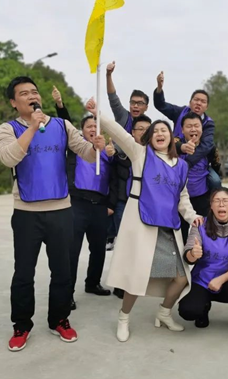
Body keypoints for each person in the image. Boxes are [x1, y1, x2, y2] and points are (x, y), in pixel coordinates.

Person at [0, 77, 103, 352]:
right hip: (26, 213)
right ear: (14, 102)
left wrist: (96, 146)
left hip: (60, 211)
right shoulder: (8, 129)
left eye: (34, 92)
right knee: (23, 273)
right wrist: (32, 127)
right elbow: (8, 158)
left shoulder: (61, 125)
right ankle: (21, 325)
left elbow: (86, 153)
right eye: (24, 93)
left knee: (62, 271)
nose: (32, 96)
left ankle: (59, 319)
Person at [85, 99, 203, 343]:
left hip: (168, 227)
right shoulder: (140, 154)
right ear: (149, 138)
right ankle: (124, 318)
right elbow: (118, 132)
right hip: (141, 222)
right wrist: (98, 114)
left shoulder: (181, 166)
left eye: (164, 130)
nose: (160, 134)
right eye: (155, 131)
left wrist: (193, 217)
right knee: (136, 277)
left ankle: (164, 313)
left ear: (172, 137)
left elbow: (183, 199)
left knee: (181, 277)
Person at [52, 89, 115, 309]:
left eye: (96, 127)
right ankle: (67, 293)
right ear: (82, 130)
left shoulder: (108, 150)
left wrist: (111, 204)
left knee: (98, 249)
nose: (92, 130)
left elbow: (116, 179)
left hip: (100, 205)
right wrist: (60, 105)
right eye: (89, 126)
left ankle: (93, 283)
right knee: (72, 250)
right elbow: (66, 124)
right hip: (77, 203)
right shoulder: (76, 144)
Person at [178, 188, 228, 340]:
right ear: (211, 206)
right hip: (203, 279)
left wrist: (221, 279)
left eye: (225, 200)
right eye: (217, 201)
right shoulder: (200, 224)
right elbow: (187, 256)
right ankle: (204, 308)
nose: (221, 205)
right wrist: (193, 254)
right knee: (188, 311)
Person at [108, 114, 152, 299]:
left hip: (145, 206)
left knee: (140, 246)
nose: (143, 132)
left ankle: (137, 281)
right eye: (139, 129)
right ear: (132, 132)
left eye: (147, 129)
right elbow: (111, 175)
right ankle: (121, 284)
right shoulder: (122, 151)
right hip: (123, 203)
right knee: (123, 245)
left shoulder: (155, 154)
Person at [153, 71, 221, 189]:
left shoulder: (208, 123)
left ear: (206, 107)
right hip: (175, 153)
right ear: (190, 102)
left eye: (203, 101)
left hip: (197, 160)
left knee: (216, 181)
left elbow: (206, 146)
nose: (198, 103)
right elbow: (161, 105)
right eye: (196, 100)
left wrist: (187, 164)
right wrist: (159, 88)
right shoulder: (179, 112)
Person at [177, 112, 218, 242]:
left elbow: (215, 165)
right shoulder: (176, 147)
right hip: (180, 199)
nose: (193, 129)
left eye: (196, 126)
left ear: (202, 128)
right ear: (182, 130)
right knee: (181, 235)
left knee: (205, 233)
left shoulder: (209, 148)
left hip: (202, 196)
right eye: (189, 126)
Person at [106, 61, 149, 133]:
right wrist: (108, 75)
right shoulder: (123, 116)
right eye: (133, 102)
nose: (135, 106)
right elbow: (112, 97)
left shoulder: (149, 125)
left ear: (146, 107)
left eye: (140, 103)